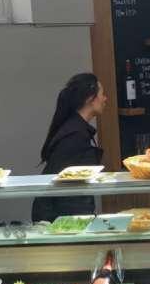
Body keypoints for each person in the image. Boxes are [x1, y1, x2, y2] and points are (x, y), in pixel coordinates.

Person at [32, 73, 106, 222]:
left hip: (66, 217)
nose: (105, 99)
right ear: (90, 99)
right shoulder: (75, 135)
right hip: (61, 220)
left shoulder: (75, 129)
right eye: (102, 94)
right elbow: (65, 186)